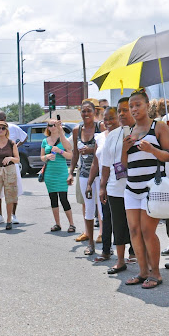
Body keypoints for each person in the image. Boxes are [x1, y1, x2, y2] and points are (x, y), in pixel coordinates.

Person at [121, 88, 169, 289]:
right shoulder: (130, 131)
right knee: (134, 231)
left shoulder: (158, 127)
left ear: (147, 105)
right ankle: (142, 272)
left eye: (137, 105)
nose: (133, 109)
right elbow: (124, 164)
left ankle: (156, 274)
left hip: (152, 188)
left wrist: (152, 149)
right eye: (130, 106)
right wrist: (124, 150)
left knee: (147, 231)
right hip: (131, 187)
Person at [99, 98, 136, 274]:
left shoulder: (143, 131)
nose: (122, 114)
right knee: (118, 225)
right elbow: (106, 165)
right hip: (115, 188)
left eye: (125, 110)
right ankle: (120, 261)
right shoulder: (113, 135)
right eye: (119, 110)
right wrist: (102, 187)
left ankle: (142, 260)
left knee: (137, 227)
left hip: (139, 187)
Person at [68, 100, 105, 255]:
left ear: (94, 111)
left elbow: (105, 148)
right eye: (83, 111)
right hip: (84, 174)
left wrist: (91, 150)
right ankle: (90, 243)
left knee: (103, 209)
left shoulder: (100, 127)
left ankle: (105, 241)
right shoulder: (77, 130)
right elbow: (75, 154)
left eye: (89, 111)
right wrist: (71, 172)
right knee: (88, 208)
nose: (86, 114)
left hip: (101, 173)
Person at [86, 107, 120, 261]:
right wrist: (90, 183)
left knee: (127, 219)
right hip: (105, 182)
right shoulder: (99, 137)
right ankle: (106, 251)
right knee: (107, 217)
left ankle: (133, 253)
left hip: (124, 182)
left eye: (111, 118)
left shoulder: (126, 134)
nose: (108, 122)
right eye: (105, 119)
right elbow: (95, 162)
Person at [0, 111, 27, 224]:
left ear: (5, 118)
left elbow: (24, 137)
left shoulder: (13, 128)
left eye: (0, 117)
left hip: (11, 166)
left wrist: (15, 147)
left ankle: (13, 215)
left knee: (13, 191)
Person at [40, 119, 75, 233]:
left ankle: (71, 224)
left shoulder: (63, 139)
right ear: (48, 128)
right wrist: (47, 156)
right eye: (51, 125)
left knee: (64, 198)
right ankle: (57, 224)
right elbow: (42, 157)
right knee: (53, 198)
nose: (53, 127)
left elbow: (70, 155)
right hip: (50, 173)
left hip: (61, 173)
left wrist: (60, 151)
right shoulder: (45, 141)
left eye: (55, 125)